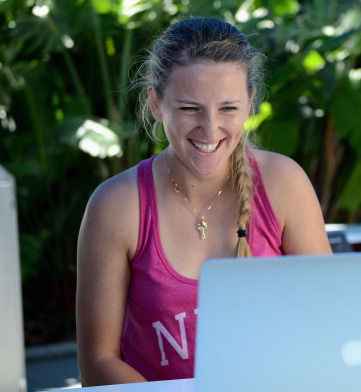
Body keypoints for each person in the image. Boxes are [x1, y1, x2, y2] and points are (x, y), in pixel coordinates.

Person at [76, 16, 332, 386]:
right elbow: (97, 362)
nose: (209, 129)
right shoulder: (117, 206)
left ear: (249, 105)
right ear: (155, 103)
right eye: (189, 109)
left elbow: (329, 320)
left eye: (228, 108)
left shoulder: (283, 184)